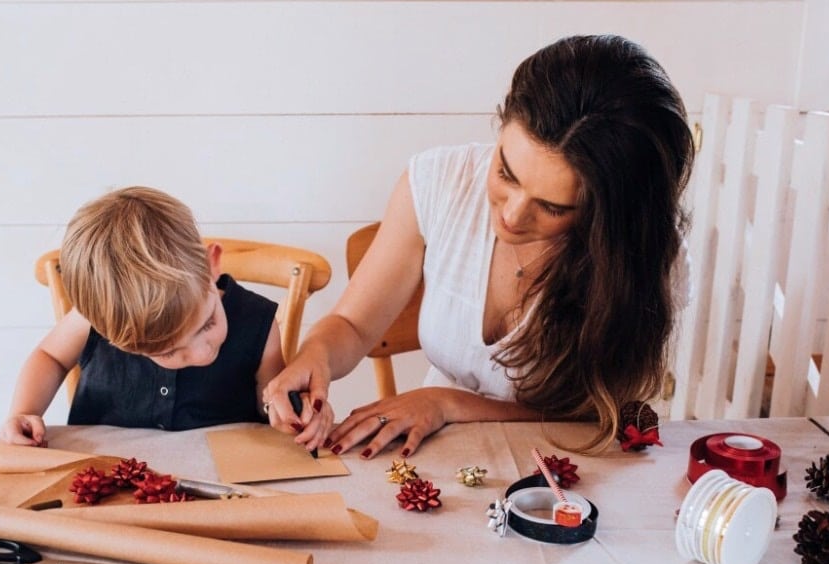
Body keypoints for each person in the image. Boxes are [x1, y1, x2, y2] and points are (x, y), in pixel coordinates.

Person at [263, 34, 694, 458]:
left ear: (609, 215)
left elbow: (602, 420)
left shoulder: (644, 259)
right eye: (506, 173)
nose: (512, 215)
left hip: (569, 464)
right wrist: (315, 357)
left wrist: (447, 403)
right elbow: (353, 325)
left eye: (551, 206)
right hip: (437, 451)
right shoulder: (438, 181)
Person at [0, 186, 285, 446]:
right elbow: (51, 356)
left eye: (208, 323)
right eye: (170, 351)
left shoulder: (258, 321)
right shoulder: (95, 320)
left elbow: (271, 403)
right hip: (106, 477)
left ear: (211, 265)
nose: (202, 352)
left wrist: (283, 407)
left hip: (228, 484)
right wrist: (24, 412)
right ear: (112, 336)